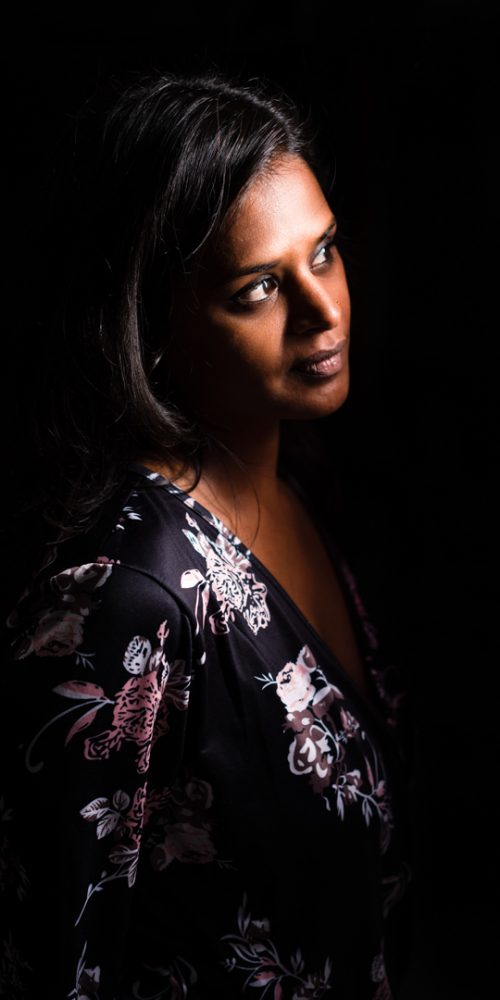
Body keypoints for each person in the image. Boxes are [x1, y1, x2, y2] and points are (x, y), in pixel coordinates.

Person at [0, 68, 413, 999]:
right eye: (258, 288)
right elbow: (56, 965)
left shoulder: (301, 486)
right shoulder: (127, 595)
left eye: (326, 252)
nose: (324, 311)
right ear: (153, 323)